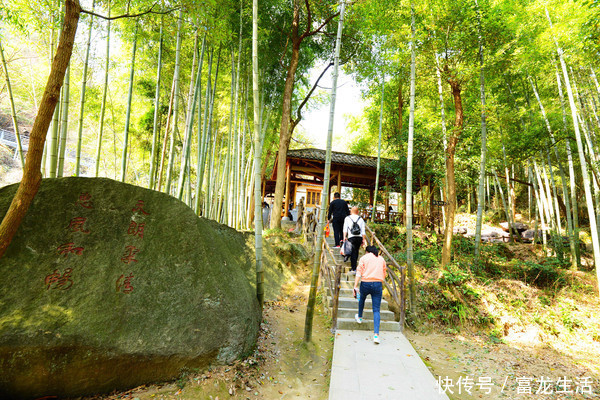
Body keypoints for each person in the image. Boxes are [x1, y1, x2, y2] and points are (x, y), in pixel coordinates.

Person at [354, 245, 387, 344]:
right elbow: (384, 272)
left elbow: (358, 273)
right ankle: (376, 335)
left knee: (362, 299)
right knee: (376, 309)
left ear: (367, 251)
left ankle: (359, 317)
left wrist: (355, 286)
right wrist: (380, 280)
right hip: (377, 284)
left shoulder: (364, 258)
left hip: (365, 283)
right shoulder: (381, 259)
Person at [343, 206, 367, 273]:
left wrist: (344, 237)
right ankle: (354, 267)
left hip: (351, 237)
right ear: (358, 212)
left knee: (352, 251)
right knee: (356, 252)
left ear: (351, 211)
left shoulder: (347, 218)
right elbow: (363, 231)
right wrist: (363, 239)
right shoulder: (361, 219)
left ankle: (353, 268)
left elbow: (345, 229)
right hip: (359, 238)